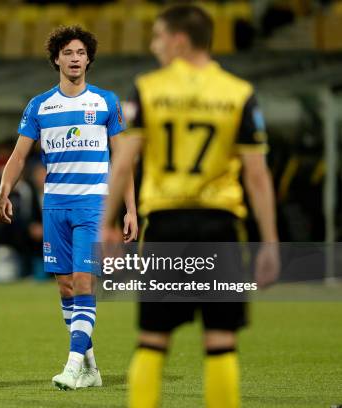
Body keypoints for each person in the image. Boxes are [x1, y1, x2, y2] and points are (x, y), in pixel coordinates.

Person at [102, 5, 280, 408]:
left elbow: (123, 162)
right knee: (220, 342)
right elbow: (257, 175)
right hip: (220, 226)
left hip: (166, 227)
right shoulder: (238, 93)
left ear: (179, 41)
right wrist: (270, 241)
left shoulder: (148, 89)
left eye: (158, 37)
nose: (153, 46)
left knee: (152, 341)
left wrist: (106, 224)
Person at [0, 25, 138, 391]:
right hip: (55, 205)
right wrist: (3, 189)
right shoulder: (40, 105)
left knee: (84, 280)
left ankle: (72, 365)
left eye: (80, 53)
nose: (75, 59)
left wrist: (130, 209)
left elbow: (123, 159)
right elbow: (18, 155)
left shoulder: (106, 102)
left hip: (94, 205)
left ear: (89, 58)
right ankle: (90, 367)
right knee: (65, 288)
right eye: (68, 53)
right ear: (56, 59)